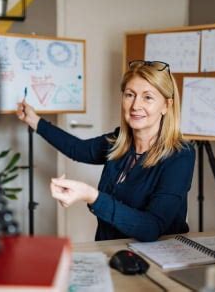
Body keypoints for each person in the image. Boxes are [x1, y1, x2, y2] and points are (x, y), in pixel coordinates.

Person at [16, 60, 195, 242]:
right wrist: (34, 121)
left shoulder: (180, 155)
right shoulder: (119, 141)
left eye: (147, 97)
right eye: (130, 95)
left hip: (157, 259)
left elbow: (151, 227)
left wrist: (91, 195)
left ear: (166, 105)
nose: (135, 105)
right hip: (112, 250)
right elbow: (77, 149)